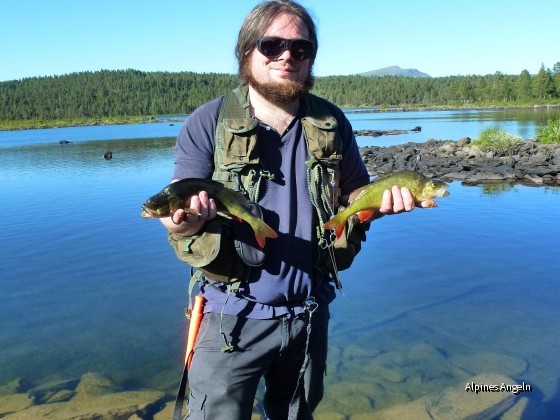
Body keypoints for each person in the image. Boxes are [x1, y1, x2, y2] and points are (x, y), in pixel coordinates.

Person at [161, 1, 428, 418]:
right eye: (272, 45)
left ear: (310, 58)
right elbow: (174, 203)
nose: (287, 56)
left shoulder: (332, 122)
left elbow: (354, 201)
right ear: (247, 51)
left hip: (309, 313)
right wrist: (183, 220)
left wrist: (381, 205)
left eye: (300, 49)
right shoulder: (207, 120)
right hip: (231, 316)